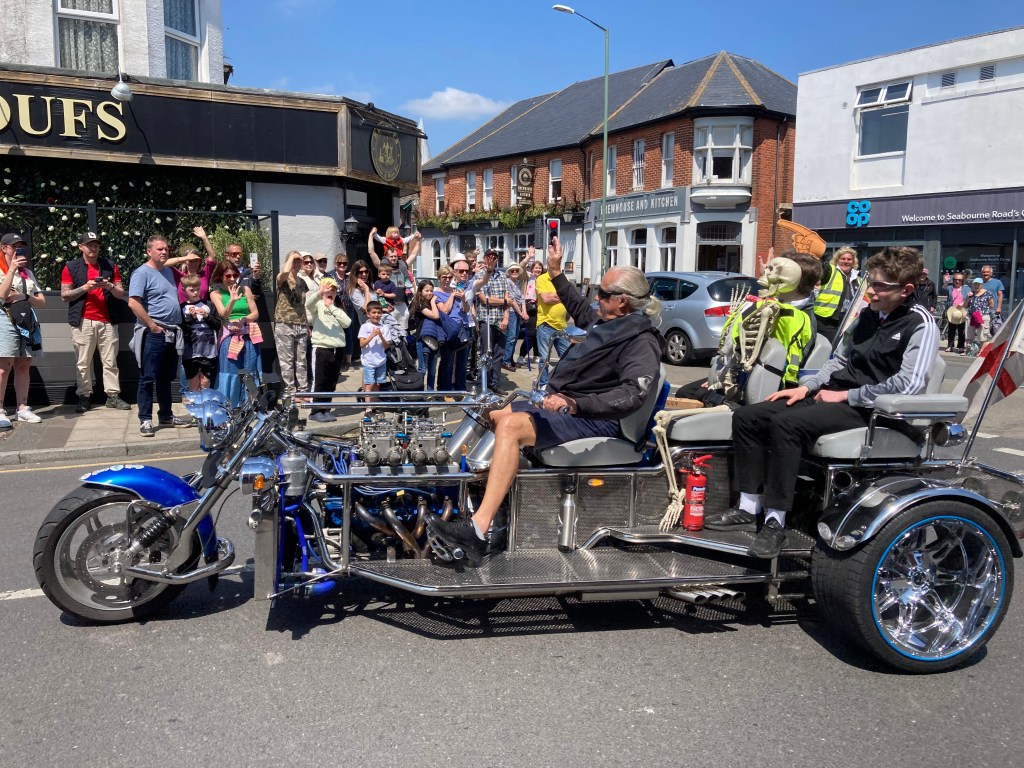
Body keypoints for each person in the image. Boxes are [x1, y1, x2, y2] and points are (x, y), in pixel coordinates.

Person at [427, 237, 664, 563]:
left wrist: (576, 404)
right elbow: (578, 306)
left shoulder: (641, 340)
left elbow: (632, 394)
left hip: (596, 419)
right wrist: (554, 272)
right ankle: (458, 494)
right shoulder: (608, 322)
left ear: (622, 301)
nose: (596, 297)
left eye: (603, 294)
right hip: (573, 409)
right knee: (490, 409)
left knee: (511, 427)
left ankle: (478, 531)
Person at [703, 247, 939, 559]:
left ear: (906, 290)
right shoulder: (868, 315)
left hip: (873, 411)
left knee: (785, 424)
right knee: (748, 416)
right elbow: (837, 360)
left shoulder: (920, 324)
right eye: (870, 282)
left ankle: (776, 521)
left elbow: (909, 384)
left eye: (880, 286)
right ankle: (748, 505)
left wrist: (846, 395)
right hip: (835, 397)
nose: (870, 291)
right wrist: (807, 387)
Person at [676, 252, 821, 405]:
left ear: (793, 280)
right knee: (685, 393)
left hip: (762, 383)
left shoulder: (802, 319)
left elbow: (779, 364)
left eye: (778, 273)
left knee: (695, 396)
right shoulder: (769, 305)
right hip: (738, 373)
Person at [60, 230, 130, 413]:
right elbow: (64, 295)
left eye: (96, 244)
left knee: (110, 361)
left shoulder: (109, 265)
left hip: (108, 321)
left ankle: (112, 396)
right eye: (90, 244)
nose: (93, 247)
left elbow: (120, 293)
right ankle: (84, 396)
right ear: (81, 247)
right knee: (82, 362)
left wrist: (110, 286)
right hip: (83, 321)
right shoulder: (71, 266)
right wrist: (85, 287)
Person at [128, 234, 189, 436]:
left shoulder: (168, 271)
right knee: (147, 377)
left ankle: (166, 415)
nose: (164, 252)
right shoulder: (141, 273)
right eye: (159, 249)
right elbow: (133, 302)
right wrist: (152, 325)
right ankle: (145, 420)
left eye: (166, 249)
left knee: (165, 377)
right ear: (148, 251)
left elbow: (168, 263)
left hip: (171, 332)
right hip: (154, 332)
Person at [0, 232, 46, 428]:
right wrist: (11, 270)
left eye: (20, 247)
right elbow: (2, 295)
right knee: (4, 366)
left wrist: (24, 297)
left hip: (26, 320)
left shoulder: (27, 272)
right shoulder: (4, 270)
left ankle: (22, 407)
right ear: (3, 248)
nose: (17, 250)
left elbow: (42, 301)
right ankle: (0, 409)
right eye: (13, 247)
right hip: (4, 318)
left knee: (24, 363)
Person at [210, 261, 262, 407]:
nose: (232, 278)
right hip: (229, 337)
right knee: (230, 372)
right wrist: (232, 300)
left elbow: (255, 313)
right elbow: (223, 315)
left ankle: (249, 406)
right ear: (221, 277)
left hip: (247, 335)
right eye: (228, 275)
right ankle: (229, 405)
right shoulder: (216, 293)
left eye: (235, 275)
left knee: (250, 371)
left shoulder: (245, 290)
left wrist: (244, 319)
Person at [306, 277, 351, 422]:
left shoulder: (337, 307)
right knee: (319, 381)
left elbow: (347, 322)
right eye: (328, 289)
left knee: (331, 382)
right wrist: (320, 293)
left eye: (333, 290)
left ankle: (325, 409)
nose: (330, 292)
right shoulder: (318, 305)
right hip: (321, 347)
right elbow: (308, 304)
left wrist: (331, 307)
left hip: (337, 348)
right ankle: (315, 410)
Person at [474, 249, 513, 395]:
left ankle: (495, 383)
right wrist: (503, 301)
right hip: (486, 319)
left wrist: (506, 318)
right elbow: (485, 300)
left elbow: (508, 300)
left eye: (494, 257)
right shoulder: (479, 275)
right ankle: (483, 382)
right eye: (489, 257)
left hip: (500, 320)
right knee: (486, 352)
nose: (492, 259)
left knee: (499, 353)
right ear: (484, 258)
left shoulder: (503, 276)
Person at [274, 251, 310, 399]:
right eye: (294, 261)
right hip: (284, 323)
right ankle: (290, 392)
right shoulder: (282, 278)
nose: (296, 264)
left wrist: (307, 324)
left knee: (301, 360)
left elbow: (303, 305)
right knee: (286, 361)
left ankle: (303, 390)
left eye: (298, 261)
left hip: (300, 323)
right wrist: (291, 258)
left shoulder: (302, 282)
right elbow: (284, 273)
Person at [534, 249, 570, 388]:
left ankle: (563, 383)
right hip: (546, 324)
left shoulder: (562, 279)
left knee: (567, 356)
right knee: (544, 358)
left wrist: (560, 298)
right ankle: (543, 384)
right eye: (554, 263)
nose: (556, 265)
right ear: (548, 264)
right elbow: (546, 298)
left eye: (558, 263)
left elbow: (570, 298)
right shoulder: (542, 279)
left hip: (561, 325)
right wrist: (562, 297)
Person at [179, 274, 220, 391]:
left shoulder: (208, 305)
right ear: (184, 290)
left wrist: (206, 316)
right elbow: (182, 329)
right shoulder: (182, 307)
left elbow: (217, 325)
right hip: (190, 352)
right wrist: (191, 318)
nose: (195, 293)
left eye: (197, 289)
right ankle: (194, 406)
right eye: (191, 290)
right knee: (193, 381)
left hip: (209, 351)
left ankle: (204, 405)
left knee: (205, 381)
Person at [435, 262, 471, 393]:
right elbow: (444, 310)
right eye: (444, 277)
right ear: (439, 278)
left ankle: (460, 388)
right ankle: (445, 390)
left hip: (462, 328)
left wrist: (463, 299)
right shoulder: (436, 294)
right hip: (447, 330)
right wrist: (451, 295)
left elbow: (467, 310)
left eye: (449, 277)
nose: (447, 280)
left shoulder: (457, 291)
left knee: (462, 361)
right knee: (447, 361)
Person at [813, 247, 855, 342]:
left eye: (849, 259)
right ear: (837, 260)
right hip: (826, 319)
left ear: (853, 262)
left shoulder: (858, 279)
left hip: (846, 321)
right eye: (843, 259)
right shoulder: (830, 271)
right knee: (832, 345)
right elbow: (821, 267)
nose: (846, 261)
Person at [358, 300, 390, 417]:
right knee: (369, 385)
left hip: (381, 360)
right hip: (369, 361)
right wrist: (372, 335)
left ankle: (375, 405)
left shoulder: (385, 327)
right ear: (368, 314)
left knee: (377, 384)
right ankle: (368, 408)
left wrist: (381, 335)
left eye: (379, 313)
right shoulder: (365, 327)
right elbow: (362, 344)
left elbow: (387, 345)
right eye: (374, 312)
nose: (376, 315)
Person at [409, 280, 441, 390]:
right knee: (422, 368)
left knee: (432, 370)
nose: (429, 293)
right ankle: (419, 392)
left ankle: (430, 393)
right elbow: (435, 315)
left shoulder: (431, 303)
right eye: (426, 290)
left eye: (431, 291)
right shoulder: (419, 304)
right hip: (422, 339)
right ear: (420, 291)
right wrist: (433, 303)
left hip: (434, 339)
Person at [501, 263, 529, 372]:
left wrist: (524, 311)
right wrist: (521, 313)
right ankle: (506, 360)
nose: (514, 272)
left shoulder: (518, 283)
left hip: (518, 313)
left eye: (516, 270)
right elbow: (511, 301)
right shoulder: (508, 282)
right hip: (512, 312)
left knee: (515, 336)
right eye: (512, 271)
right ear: (509, 272)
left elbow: (522, 299)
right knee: (511, 337)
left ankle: (510, 358)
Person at [518, 259, 543, 365]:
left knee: (539, 333)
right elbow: (521, 267)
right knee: (531, 333)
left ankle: (537, 355)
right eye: (536, 267)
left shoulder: (544, 279)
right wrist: (528, 257)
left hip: (541, 308)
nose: (538, 269)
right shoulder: (528, 277)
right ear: (532, 269)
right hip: (530, 307)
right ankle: (521, 355)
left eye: (539, 268)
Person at [964, 277, 994, 356]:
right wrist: (967, 298)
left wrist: (983, 310)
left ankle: (981, 351)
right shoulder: (971, 293)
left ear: (982, 285)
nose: (976, 286)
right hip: (971, 316)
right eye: (975, 284)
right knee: (969, 334)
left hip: (982, 316)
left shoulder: (987, 293)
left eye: (978, 284)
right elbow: (965, 306)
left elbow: (991, 304)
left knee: (982, 335)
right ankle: (968, 350)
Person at [945, 273, 968, 353]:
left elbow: (969, 298)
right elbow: (943, 289)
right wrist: (946, 282)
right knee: (951, 329)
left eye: (960, 280)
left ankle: (961, 346)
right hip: (952, 311)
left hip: (961, 311)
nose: (957, 281)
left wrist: (963, 303)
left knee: (961, 330)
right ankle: (950, 346)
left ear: (962, 281)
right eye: (955, 280)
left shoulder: (966, 288)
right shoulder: (950, 288)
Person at [979, 264, 1005, 338]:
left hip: (993, 309)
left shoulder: (997, 282)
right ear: (981, 273)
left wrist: (999, 307)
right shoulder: (978, 282)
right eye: (984, 272)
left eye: (987, 272)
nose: (985, 274)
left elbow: (1000, 295)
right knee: (981, 329)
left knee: (995, 328)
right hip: (981, 310)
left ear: (991, 273)